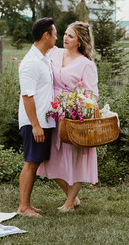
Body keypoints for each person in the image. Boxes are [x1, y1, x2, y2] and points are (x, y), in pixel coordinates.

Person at [37, 21, 99, 212]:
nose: (65, 38)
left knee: (76, 158)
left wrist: (75, 104)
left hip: (72, 117)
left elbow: (92, 95)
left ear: (79, 41)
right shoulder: (54, 53)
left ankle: (70, 203)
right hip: (51, 113)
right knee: (48, 158)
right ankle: (72, 197)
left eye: (70, 36)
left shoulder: (86, 64)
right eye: (64, 34)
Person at [17, 17, 57, 218]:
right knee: (30, 163)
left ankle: (27, 205)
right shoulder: (30, 63)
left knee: (35, 162)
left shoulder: (44, 58)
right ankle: (23, 207)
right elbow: (27, 95)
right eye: (55, 33)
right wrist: (35, 125)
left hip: (43, 120)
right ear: (46, 35)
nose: (57, 37)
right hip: (34, 122)